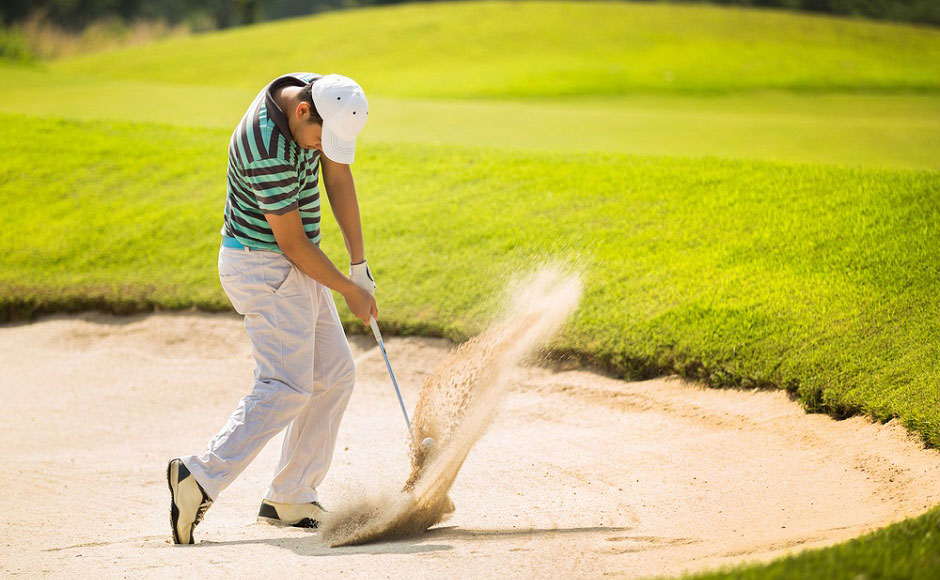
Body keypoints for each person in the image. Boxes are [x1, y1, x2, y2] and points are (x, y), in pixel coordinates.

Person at [166, 72, 378, 545]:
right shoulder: (266, 146)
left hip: (292, 264)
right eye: (322, 140)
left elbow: (338, 176)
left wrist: (359, 264)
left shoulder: (317, 95)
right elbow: (292, 243)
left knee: (336, 374)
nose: (325, 149)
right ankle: (197, 478)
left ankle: (291, 495)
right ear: (303, 112)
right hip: (263, 266)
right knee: (286, 385)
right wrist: (347, 288)